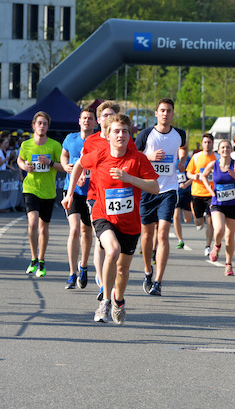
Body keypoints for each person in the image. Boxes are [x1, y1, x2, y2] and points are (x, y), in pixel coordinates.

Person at [81, 114, 159, 324]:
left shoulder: (137, 159)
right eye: (116, 131)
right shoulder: (99, 155)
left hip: (130, 223)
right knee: (112, 250)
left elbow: (155, 186)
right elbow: (80, 162)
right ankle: (104, 302)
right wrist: (71, 192)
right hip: (103, 216)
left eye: (125, 131)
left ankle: (119, 300)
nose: (121, 135)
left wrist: (129, 179)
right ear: (107, 134)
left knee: (123, 269)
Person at [63, 101, 127, 301]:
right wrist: (71, 190)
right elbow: (81, 163)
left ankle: (102, 278)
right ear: (99, 120)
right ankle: (101, 282)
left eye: (112, 115)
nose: (109, 119)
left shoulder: (124, 139)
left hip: (118, 198)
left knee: (115, 246)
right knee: (99, 240)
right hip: (94, 197)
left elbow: (133, 161)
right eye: (105, 115)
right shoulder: (91, 141)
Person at [135, 98, 188, 297]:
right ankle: (148, 271)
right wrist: (148, 158)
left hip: (169, 189)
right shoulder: (146, 134)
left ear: (173, 114)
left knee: (163, 233)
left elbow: (183, 147)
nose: (165, 114)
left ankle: (158, 281)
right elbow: (133, 155)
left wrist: (182, 160)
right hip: (148, 189)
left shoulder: (179, 134)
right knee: (147, 235)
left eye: (169, 111)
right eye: (162, 110)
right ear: (156, 113)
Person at [17, 112, 64, 277]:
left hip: (49, 191)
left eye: (45, 123)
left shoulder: (55, 146)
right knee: (33, 223)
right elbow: (20, 159)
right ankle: (33, 258)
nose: (42, 126)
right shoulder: (26, 145)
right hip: (30, 188)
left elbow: (63, 166)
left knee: (44, 228)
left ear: (48, 127)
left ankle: (42, 261)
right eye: (39, 123)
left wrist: (50, 163)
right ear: (33, 125)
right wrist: (24, 167)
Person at [60, 108, 97, 289]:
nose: (87, 121)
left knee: (86, 232)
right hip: (72, 190)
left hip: (91, 192)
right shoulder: (70, 138)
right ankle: (72, 272)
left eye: (90, 118)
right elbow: (64, 154)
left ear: (95, 122)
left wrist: (88, 173)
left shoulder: (98, 141)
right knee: (74, 230)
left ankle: (83, 266)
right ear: (79, 120)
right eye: (84, 118)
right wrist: (65, 165)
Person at [201, 140, 235, 276]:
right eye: (222, 147)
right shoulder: (213, 164)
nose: (225, 149)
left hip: (233, 204)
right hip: (217, 203)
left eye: (228, 147)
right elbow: (203, 176)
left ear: (231, 149)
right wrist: (210, 191)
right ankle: (216, 246)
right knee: (219, 229)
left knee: (229, 237)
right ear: (218, 150)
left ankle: (228, 264)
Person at [186, 133, 217, 257]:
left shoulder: (217, 157)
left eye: (209, 142)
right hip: (197, 192)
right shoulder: (196, 156)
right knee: (198, 221)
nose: (207, 144)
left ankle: (208, 246)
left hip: (212, 193)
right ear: (202, 143)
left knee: (211, 222)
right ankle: (201, 218)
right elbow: (188, 173)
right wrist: (194, 176)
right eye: (205, 142)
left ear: (212, 143)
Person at [173, 156, 193, 249]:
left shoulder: (188, 160)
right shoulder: (171, 158)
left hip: (186, 192)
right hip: (175, 192)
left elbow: (193, 176)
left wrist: (186, 184)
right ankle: (180, 240)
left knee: (187, 220)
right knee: (176, 216)